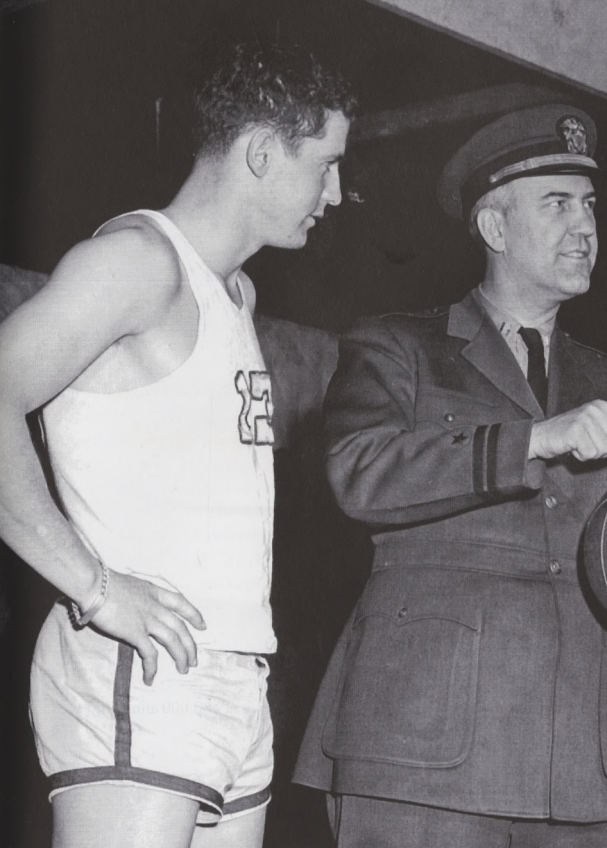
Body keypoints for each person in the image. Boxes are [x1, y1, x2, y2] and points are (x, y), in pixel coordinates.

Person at [294, 103, 607, 847]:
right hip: (421, 758)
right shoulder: (398, 348)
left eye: (588, 206)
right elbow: (358, 473)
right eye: (556, 205)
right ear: (493, 228)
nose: (585, 227)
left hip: (583, 773)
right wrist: (533, 439)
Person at [0, 42, 356, 848]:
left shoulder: (235, 291)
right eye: (327, 164)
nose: (336, 192)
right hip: (141, 667)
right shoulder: (135, 263)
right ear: (262, 153)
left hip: (233, 672)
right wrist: (94, 589)